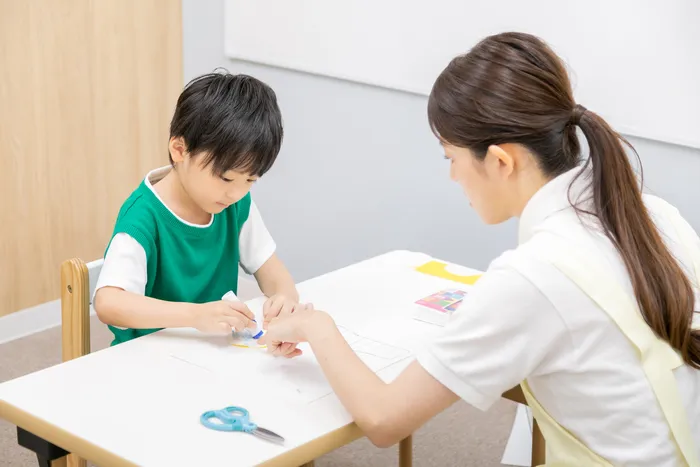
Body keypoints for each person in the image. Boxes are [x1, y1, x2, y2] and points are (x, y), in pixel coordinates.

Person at [260, 32, 700, 465]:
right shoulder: (652, 214)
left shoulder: (535, 275)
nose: (453, 177)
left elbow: (384, 419)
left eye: (451, 157)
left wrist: (318, 328)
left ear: (501, 161)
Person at [94, 71, 300, 346]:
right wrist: (195, 315)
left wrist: (284, 300)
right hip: (149, 358)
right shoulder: (143, 216)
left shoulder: (235, 204)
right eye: (226, 178)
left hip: (212, 353)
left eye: (250, 180)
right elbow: (108, 303)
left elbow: (272, 271)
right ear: (180, 150)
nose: (236, 192)